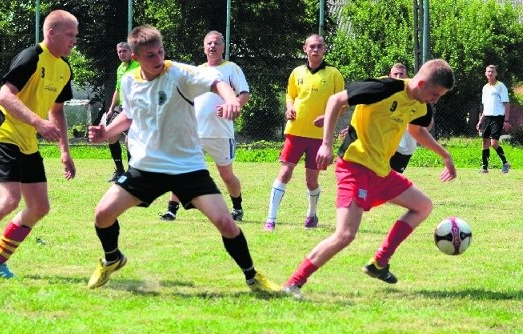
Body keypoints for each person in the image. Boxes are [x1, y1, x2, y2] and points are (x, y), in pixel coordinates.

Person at [86, 25, 279, 293]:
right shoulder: (130, 81)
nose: (158, 59)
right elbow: (129, 116)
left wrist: (231, 99)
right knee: (102, 214)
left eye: (160, 52)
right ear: (136, 56)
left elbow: (216, 82)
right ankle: (112, 259)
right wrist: (106, 132)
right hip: (146, 167)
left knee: (225, 222)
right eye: (150, 55)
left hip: (187, 167)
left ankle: (252, 276)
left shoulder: (178, 72)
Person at [282, 59, 456, 299]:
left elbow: (416, 129)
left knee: (423, 206)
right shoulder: (384, 88)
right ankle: (293, 283)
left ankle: (380, 262)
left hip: (381, 172)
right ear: (422, 82)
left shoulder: (420, 105)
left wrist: (444, 155)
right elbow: (336, 100)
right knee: (345, 234)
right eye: (435, 94)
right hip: (354, 167)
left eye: (440, 96)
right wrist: (326, 144)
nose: (435, 100)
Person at [0, 10, 78, 279]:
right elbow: (5, 96)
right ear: (50, 32)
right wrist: (37, 122)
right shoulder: (32, 57)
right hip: (5, 134)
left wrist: (64, 150)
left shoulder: (64, 69)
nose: (74, 41)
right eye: (69, 35)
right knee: (9, 200)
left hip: (27, 141)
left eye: (76, 35)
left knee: (39, 207)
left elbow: (57, 111)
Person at [159, 31, 249, 222]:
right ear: (204, 47)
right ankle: (171, 210)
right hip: (194, 131)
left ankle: (237, 208)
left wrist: (231, 105)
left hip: (220, 133)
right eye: (209, 43)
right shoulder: (197, 70)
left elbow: (244, 94)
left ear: (223, 47)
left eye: (216, 43)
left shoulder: (231, 69)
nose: (212, 46)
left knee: (226, 175)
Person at [264, 34, 345, 231]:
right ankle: (270, 219)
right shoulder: (297, 72)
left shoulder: (334, 74)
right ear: (305, 49)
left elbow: (342, 103)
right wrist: (289, 107)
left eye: (319, 46)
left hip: (319, 136)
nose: (315, 50)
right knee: (284, 172)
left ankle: (311, 214)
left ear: (325, 49)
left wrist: (328, 118)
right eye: (312, 46)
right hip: (295, 131)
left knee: (311, 180)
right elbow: (290, 95)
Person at [105, 42, 139, 182]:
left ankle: (132, 173)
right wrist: (111, 108)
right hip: (122, 108)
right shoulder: (120, 68)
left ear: (131, 52)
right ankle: (120, 171)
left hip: (136, 108)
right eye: (119, 51)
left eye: (124, 51)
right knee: (111, 135)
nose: (121, 53)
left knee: (129, 140)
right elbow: (118, 90)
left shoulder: (138, 64)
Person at [476, 64, 511, 174]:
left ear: (496, 74)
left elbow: (507, 104)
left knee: (494, 143)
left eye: (492, 71)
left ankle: (505, 163)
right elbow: (485, 107)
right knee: (485, 142)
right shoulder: (485, 88)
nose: (490, 73)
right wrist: (480, 120)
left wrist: (506, 120)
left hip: (498, 118)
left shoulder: (501, 86)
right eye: (488, 71)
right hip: (487, 118)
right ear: (485, 73)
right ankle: (484, 168)